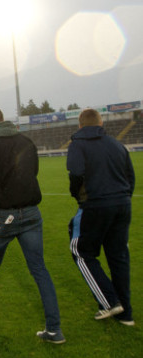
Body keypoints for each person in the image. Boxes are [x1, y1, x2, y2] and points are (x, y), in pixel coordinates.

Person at [0, 107, 65, 344]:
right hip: (32, 213)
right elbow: (32, 172)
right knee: (39, 270)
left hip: (5, 215)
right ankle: (54, 329)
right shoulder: (25, 140)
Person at [67, 108, 135, 325]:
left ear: (80, 125)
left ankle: (109, 301)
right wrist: (123, 197)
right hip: (123, 204)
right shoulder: (116, 144)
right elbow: (130, 176)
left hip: (96, 204)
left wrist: (77, 195)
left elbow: (76, 173)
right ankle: (126, 315)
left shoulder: (78, 143)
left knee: (81, 251)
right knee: (118, 256)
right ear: (101, 122)